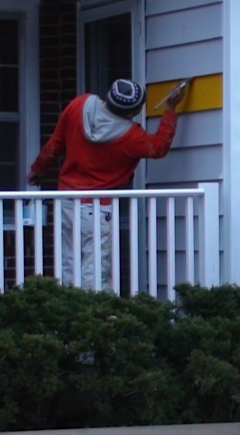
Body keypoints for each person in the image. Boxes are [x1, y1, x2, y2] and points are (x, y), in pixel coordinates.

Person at [27, 78, 186, 292]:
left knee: (69, 261)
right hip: (97, 208)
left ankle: (68, 310)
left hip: (67, 201)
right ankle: (93, 316)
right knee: (96, 268)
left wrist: (38, 169)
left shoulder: (78, 106)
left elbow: (54, 146)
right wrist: (170, 108)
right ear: (131, 112)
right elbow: (159, 147)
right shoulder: (132, 137)